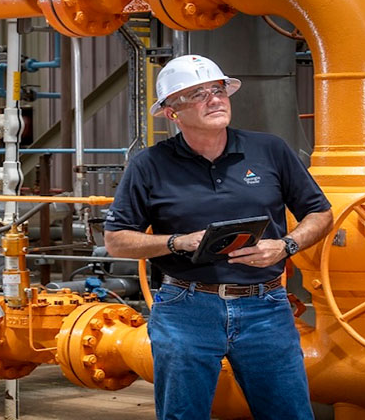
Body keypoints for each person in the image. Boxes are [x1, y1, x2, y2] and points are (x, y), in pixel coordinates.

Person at [104, 54, 333, 420]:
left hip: (266, 307)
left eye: (218, 90)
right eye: (198, 94)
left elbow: (320, 213)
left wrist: (285, 245)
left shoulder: (270, 150)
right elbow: (116, 240)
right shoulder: (149, 164)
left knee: (289, 413)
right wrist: (177, 242)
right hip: (186, 309)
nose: (214, 99)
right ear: (172, 112)